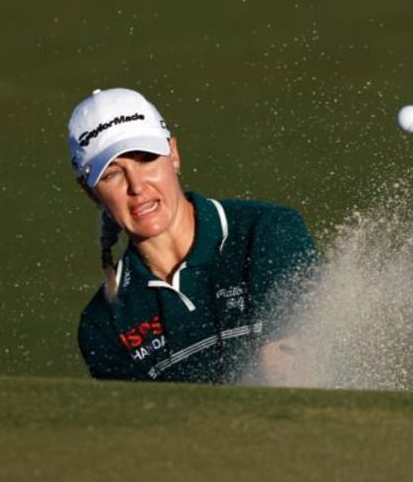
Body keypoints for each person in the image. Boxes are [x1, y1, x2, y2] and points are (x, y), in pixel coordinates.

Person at [68, 88, 318, 384]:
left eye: (146, 159)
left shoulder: (267, 231)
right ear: (89, 191)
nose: (137, 187)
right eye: (112, 174)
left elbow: (293, 377)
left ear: (173, 154)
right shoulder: (103, 326)